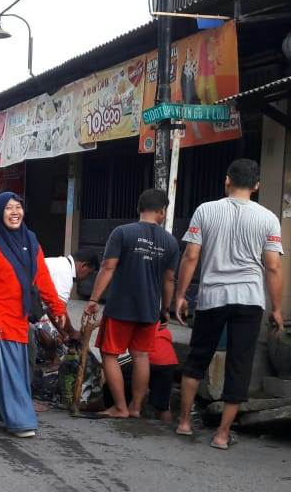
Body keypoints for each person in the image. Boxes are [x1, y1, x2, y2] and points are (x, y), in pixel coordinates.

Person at [173, 159, 284, 449]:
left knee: (197, 358)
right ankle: (222, 435)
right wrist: (277, 308)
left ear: (226, 181)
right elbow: (272, 267)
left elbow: (191, 256)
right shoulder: (268, 218)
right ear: (257, 186)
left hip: (212, 297)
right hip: (249, 300)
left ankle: (184, 422)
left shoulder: (205, 211)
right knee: (239, 364)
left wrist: (180, 295)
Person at [0, 192, 65, 438]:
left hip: (19, 315)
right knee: (12, 369)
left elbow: (42, 277)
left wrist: (57, 307)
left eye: (18, 207)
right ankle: (21, 420)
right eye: (8, 208)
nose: (14, 212)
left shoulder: (30, 240)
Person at [83, 189, 179, 419]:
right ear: (162, 212)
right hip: (148, 310)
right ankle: (136, 407)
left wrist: (94, 299)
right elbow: (169, 279)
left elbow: (107, 267)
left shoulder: (122, 233)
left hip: (121, 307)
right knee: (141, 355)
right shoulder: (170, 242)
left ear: (139, 209)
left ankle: (120, 407)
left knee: (109, 353)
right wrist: (166, 309)